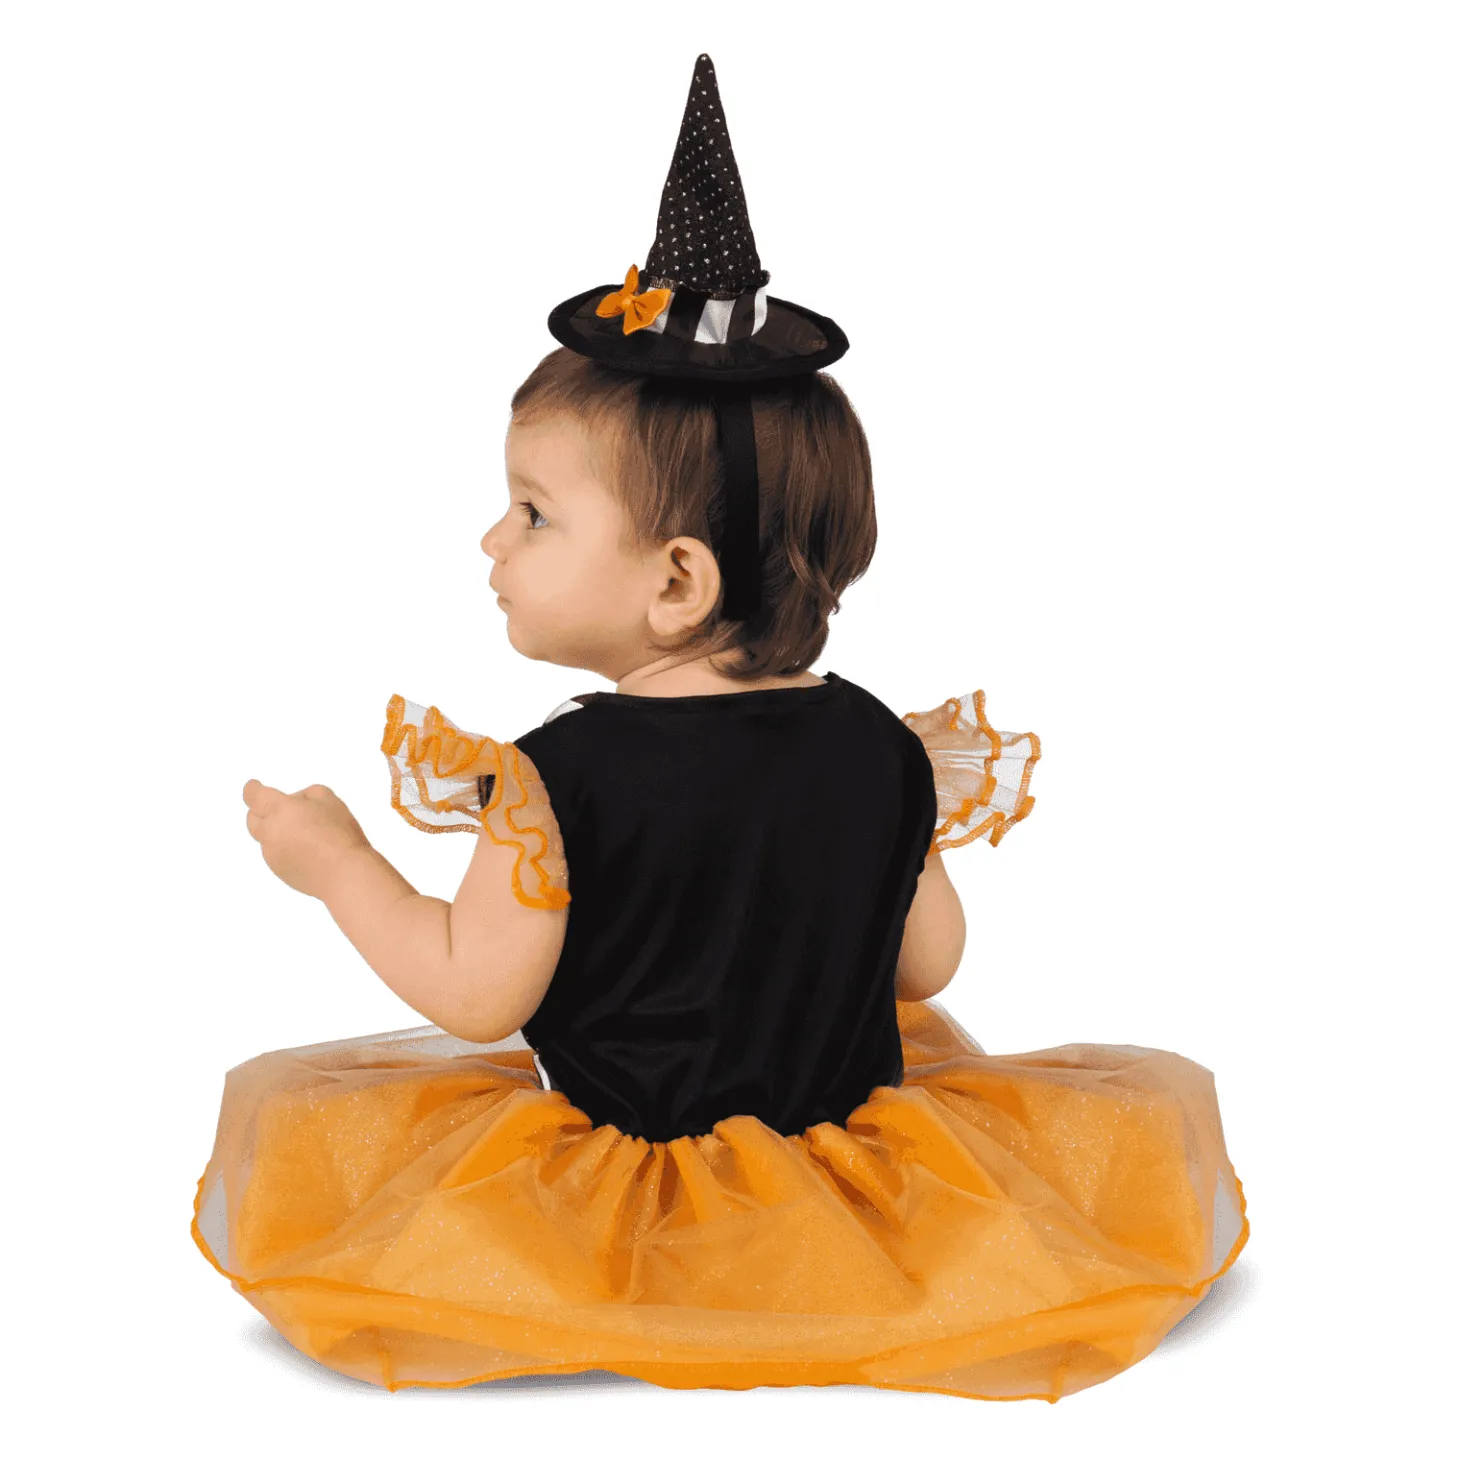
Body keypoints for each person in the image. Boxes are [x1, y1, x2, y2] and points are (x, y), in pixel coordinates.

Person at [193, 54, 1248, 1401]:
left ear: (677, 581)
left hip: (614, 1176)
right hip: (854, 1160)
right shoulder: (882, 749)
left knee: (307, 1126)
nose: (491, 541)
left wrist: (338, 863)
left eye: (533, 513)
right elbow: (929, 964)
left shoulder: (553, 781)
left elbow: (474, 996)